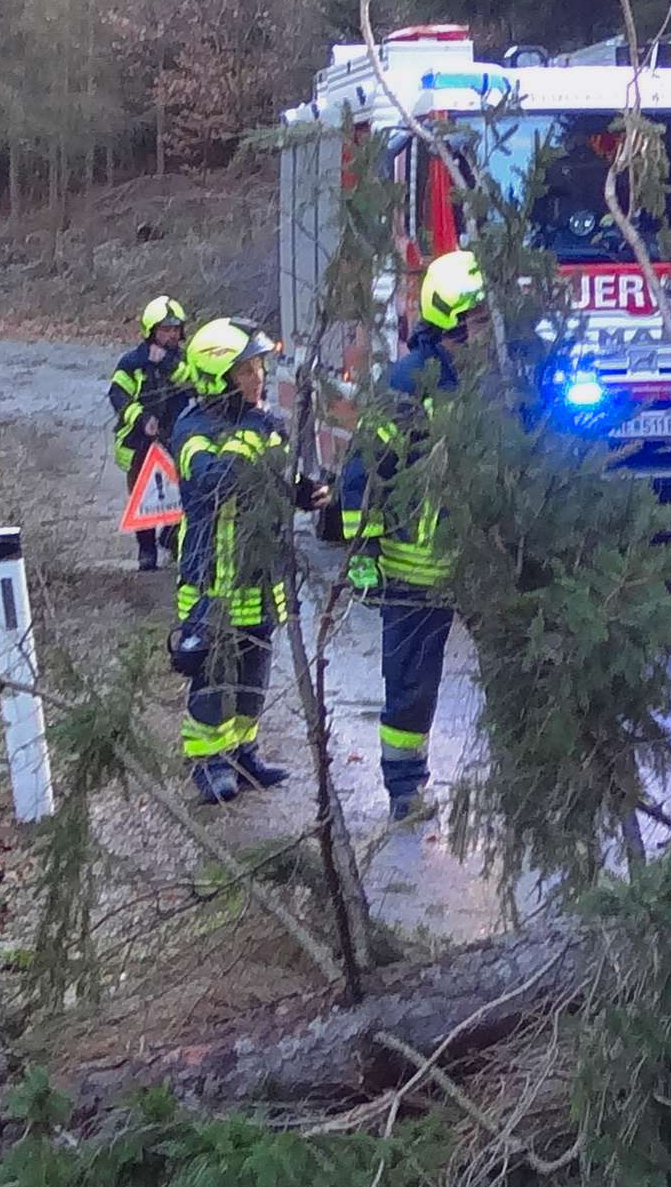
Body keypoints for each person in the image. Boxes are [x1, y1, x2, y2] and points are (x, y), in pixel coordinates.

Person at [343, 250, 486, 818]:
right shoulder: (405, 385)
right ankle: (404, 789)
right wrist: (364, 553)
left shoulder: (492, 381)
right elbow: (363, 471)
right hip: (414, 569)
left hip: (480, 561)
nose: (485, 330)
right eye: (476, 319)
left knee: (514, 667)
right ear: (447, 319)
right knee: (411, 683)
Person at [169, 319, 316, 804]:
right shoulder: (193, 430)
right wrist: (251, 436)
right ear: (217, 377)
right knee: (213, 675)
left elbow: (270, 483)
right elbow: (211, 483)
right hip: (213, 581)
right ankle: (208, 762)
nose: (258, 378)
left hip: (259, 578)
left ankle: (243, 751)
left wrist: (302, 494)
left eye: (258, 367)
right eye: (246, 370)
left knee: (253, 674)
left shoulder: (259, 424)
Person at [110, 295, 191, 572]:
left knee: (179, 494)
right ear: (151, 331)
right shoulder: (132, 362)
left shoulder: (184, 361)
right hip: (140, 444)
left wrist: (168, 363)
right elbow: (118, 395)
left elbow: (194, 384)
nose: (170, 335)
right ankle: (146, 551)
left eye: (175, 329)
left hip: (175, 441)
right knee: (143, 498)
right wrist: (142, 419)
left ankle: (173, 539)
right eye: (164, 330)